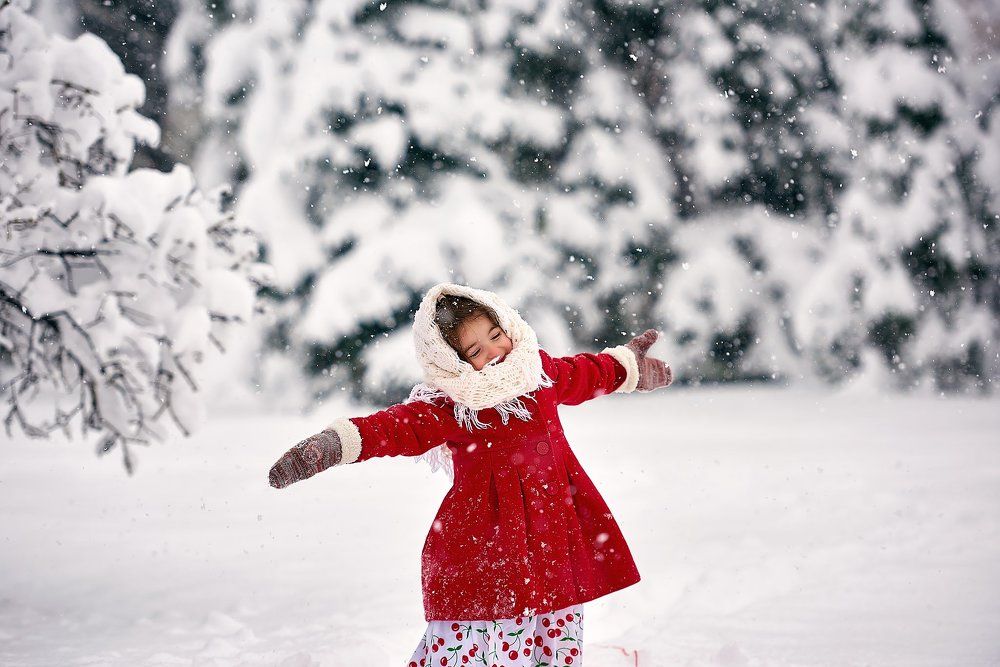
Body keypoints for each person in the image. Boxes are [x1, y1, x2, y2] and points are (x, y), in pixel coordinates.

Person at [268, 282, 674, 666]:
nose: (495, 351)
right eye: (476, 349)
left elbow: (585, 373)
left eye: (496, 334)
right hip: (490, 542)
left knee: (555, 621)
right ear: (455, 363)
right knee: (488, 632)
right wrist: (334, 445)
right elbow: (396, 427)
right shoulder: (455, 406)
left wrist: (626, 369)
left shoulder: (540, 372)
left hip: (552, 529)